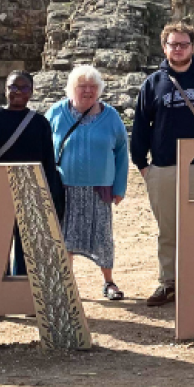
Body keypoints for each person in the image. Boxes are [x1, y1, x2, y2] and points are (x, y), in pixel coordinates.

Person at [130, 22, 194, 307]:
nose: (178, 49)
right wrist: (142, 165)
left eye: (183, 44)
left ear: (193, 47)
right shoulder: (153, 83)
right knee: (168, 229)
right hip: (163, 167)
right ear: (165, 48)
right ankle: (168, 282)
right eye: (173, 45)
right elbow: (140, 125)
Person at [47, 65, 130, 300]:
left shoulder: (111, 117)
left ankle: (109, 282)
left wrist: (119, 187)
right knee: (64, 239)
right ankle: (66, 285)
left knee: (102, 238)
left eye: (93, 87)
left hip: (98, 188)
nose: (87, 91)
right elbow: (43, 148)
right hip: (63, 188)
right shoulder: (55, 113)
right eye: (82, 86)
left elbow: (122, 154)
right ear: (71, 89)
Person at [0, 71, 63, 278]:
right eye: (13, 87)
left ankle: (23, 297)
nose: (18, 92)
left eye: (24, 88)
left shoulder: (39, 123)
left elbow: (48, 161)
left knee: (28, 251)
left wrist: (47, 194)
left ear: (31, 92)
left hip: (31, 193)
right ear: (5, 89)